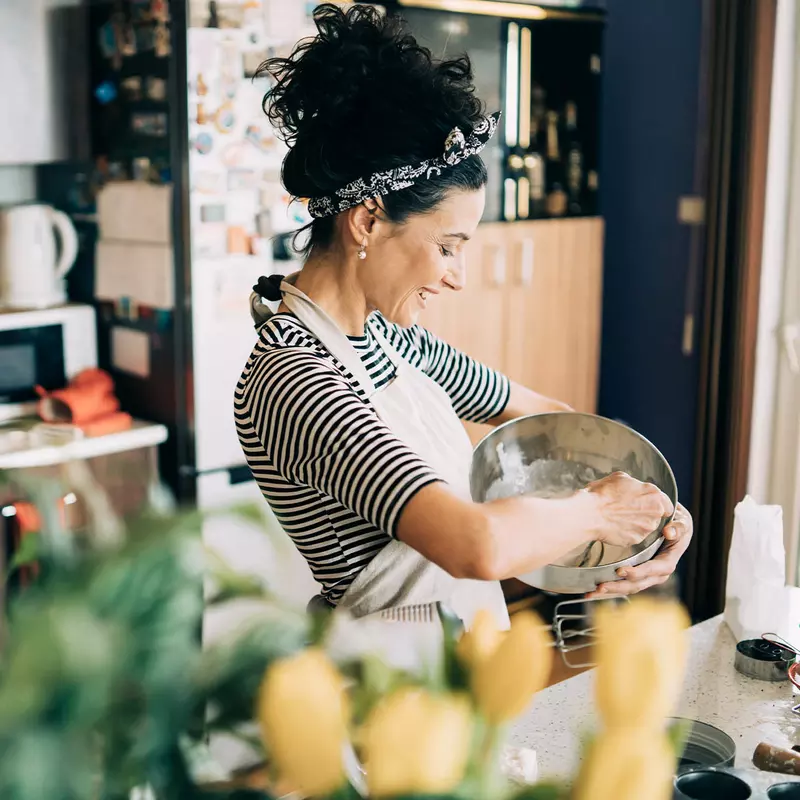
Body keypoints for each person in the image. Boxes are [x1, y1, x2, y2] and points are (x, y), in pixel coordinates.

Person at [235, 4, 692, 628]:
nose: (458, 275)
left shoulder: (396, 341)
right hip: (382, 685)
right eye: (446, 246)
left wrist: (656, 512)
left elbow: (552, 422)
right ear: (367, 221)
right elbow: (473, 544)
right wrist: (599, 513)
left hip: (460, 659)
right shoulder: (294, 379)